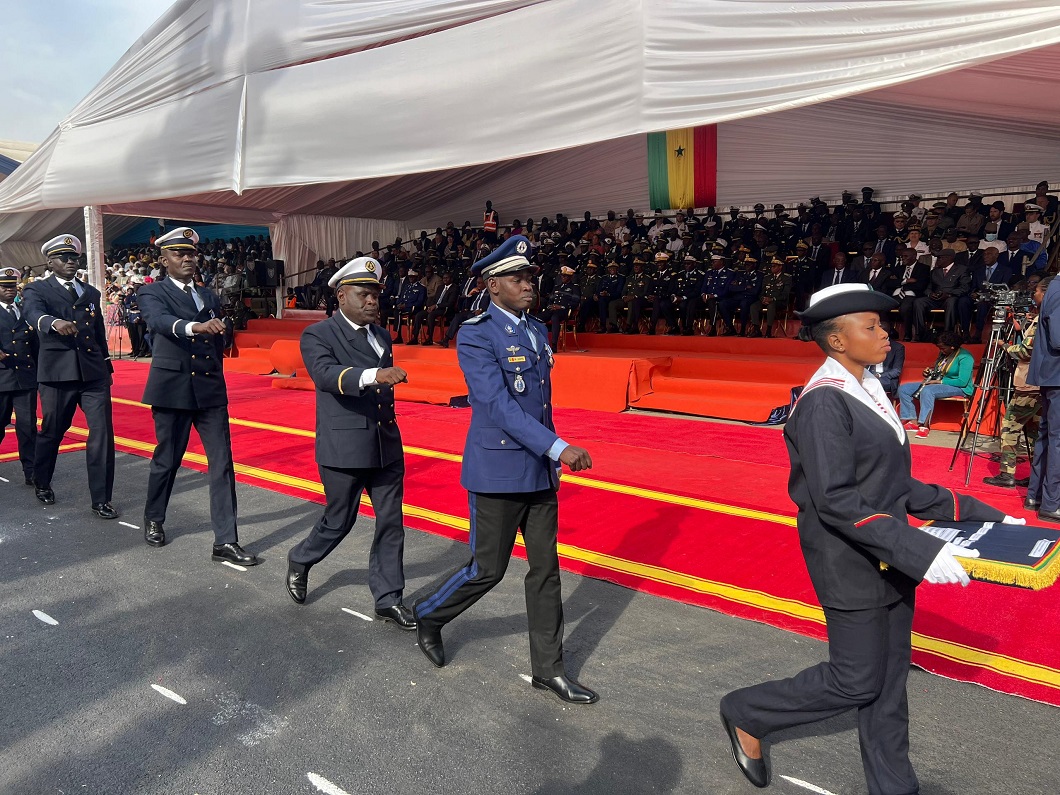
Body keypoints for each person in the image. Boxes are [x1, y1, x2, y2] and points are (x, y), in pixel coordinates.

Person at [719, 282, 1013, 793]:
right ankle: (746, 710)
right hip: (850, 560)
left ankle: (894, 787)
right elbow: (836, 500)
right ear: (836, 340)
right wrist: (921, 549)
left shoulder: (868, 386)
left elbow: (896, 485)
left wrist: (982, 517)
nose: (885, 334)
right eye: (872, 326)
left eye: (883, 324)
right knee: (856, 680)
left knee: (889, 685)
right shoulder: (822, 404)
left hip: (890, 556)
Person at [413, 235, 598, 705]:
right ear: (493, 286)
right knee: (487, 569)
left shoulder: (537, 330)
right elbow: (496, 405)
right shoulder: (475, 333)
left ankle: (548, 669)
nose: (527, 285)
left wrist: (550, 454)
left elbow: (540, 404)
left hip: (538, 470)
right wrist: (558, 448)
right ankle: (430, 614)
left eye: (529, 277)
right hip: (497, 470)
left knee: (545, 571)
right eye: (517, 278)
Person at [285, 257, 415, 628]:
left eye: (376, 293)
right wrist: (376, 374)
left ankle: (388, 597)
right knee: (339, 520)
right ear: (342, 296)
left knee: (392, 521)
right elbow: (325, 376)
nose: (373, 300)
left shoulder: (382, 335)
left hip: (385, 443)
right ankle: (301, 558)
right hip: (345, 445)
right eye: (364, 293)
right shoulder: (318, 334)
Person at [136, 228, 256, 564]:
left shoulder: (208, 294)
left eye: (191, 254)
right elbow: (159, 322)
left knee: (222, 464)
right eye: (179, 254)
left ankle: (226, 541)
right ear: (164, 260)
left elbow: (219, 339)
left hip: (209, 389)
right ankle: (154, 517)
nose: (188, 259)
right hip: (173, 388)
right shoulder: (152, 293)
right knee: (168, 458)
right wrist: (195, 327)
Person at [21, 235, 117, 519]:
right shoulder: (37, 289)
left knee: (102, 434)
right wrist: (53, 322)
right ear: (50, 262)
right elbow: (31, 313)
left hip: (93, 374)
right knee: (53, 431)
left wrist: (106, 364)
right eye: (64, 257)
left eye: (74, 257)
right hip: (57, 374)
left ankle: (101, 498)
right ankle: (42, 480)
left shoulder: (90, 292)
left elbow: (98, 333)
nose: (71, 262)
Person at [984, 277, 1047, 489]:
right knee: (1034, 434)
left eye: (1036, 292)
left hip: (1028, 386)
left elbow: (1026, 351)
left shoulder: (1041, 321)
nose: (1033, 296)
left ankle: (1006, 474)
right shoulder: (1046, 318)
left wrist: (1004, 346)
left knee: (1010, 429)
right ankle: (1037, 476)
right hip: (1041, 385)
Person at [1025, 273, 1060, 522]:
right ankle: (1051, 502)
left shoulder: (1055, 289)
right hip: (1057, 376)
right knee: (1056, 440)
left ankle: (1036, 495)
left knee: (1048, 437)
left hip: (1052, 375)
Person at [0, 266, 38, 485]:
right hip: (2, 379)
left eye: (12, 286)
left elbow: (36, 345)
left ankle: (30, 470)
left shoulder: (24, 312)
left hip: (25, 378)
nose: (9, 290)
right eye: (4, 287)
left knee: (27, 427)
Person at [897, 331, 974, 438]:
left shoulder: (965, 357)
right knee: (904, 388)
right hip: (940, 383)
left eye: (943, 348)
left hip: (960, 387)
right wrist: (928, 373)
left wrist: (939, 382)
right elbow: (939, 371)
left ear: (952, 347)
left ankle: (924, 425)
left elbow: (962, 381)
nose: (941, 350)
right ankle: (912, 421)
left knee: (928, 390)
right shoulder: (944, 354)